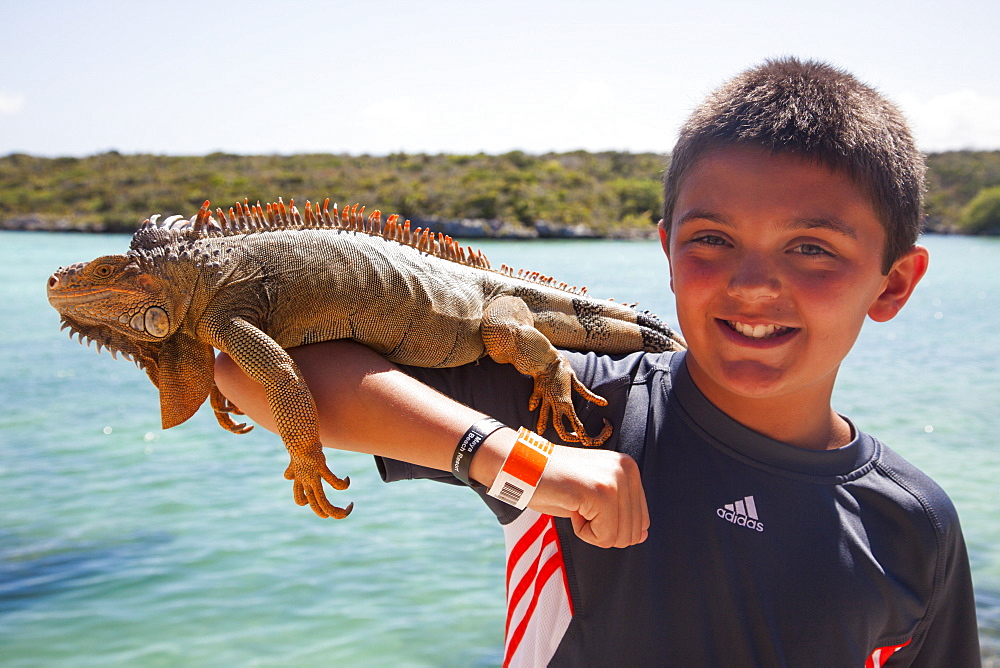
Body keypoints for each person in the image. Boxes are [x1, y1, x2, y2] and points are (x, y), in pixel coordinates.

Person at [215, 57, 981, 665]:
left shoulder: (914, 525)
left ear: (895, 284)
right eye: (711, 239)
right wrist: (515, 462)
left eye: (811, 249)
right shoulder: (576, 414)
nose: (752, 285)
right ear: (669, 254)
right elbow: (240, 370)